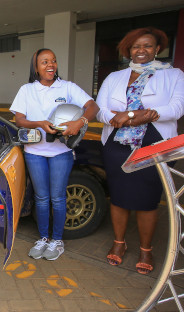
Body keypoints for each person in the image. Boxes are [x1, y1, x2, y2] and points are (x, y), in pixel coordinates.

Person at [97, 27, 184, 274]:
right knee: (119, 195)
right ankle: (119, 243)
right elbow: (101, 109)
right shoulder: (115, 77)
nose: (141, 50)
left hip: (154, 143)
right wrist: (120, 118)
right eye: (136, 46)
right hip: (116, 143)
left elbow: (177, 108)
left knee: (147, 200)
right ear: (129, 50)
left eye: (147, 46)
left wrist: (134, 116)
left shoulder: (174, 75)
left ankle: (146, 249)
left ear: (157, 49)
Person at [10, 48, 99, 261]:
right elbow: (19, 120)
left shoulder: (67, 87)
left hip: (61, 152)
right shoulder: (26, 90)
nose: (50, 65)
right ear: (36, 67)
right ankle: (43, 238)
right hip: (35, 151)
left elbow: (92, 106)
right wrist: (40, 123)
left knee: (58, 198)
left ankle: (57, 241)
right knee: (41, 198)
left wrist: (80, 121)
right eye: (45, 62)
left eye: (54, 61)